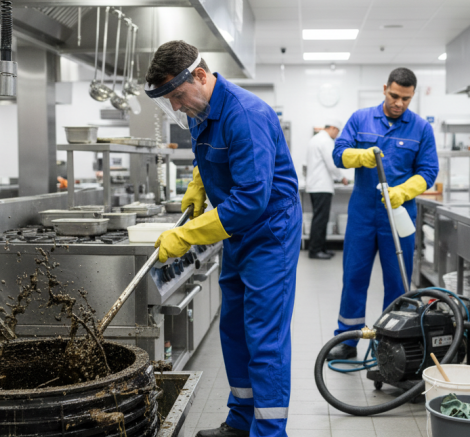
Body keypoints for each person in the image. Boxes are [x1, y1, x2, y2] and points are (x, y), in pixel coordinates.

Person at [144, 41, 301, 437]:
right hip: (236, 233)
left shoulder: (246, 114)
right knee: (233, 329)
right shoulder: (200, 108)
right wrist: (198, 183)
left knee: (264, 337)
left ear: (200, 76)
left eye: (177, 95)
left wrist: (186, 235)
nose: (176, 106)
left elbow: (251, 200)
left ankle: (269, 432)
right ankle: (241, 421)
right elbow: (212, 156)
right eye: (169, 100)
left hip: (269, 233)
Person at [327, 67, 439, 361]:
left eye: (406, 98)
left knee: (397, 282)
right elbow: (338, 154)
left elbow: (429, 172)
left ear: (412, 96)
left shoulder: (421, 128)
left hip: (399, 215)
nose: (399, 103)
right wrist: (361, 156)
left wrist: (403, 191)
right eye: (394, 95)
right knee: (354, 276)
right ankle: (348, 340)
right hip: (362, 213)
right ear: (385, 88)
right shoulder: (361, 119)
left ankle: (390, 343)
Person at [305, 119, 348, 260]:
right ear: (333, 128)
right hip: (321, 186)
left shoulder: (315, 139)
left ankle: (321, 248)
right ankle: (315, 250)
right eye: (337, 132)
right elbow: (332, 163)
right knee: (320, 219)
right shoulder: (326, 141)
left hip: (315, 185)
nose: (337, 135)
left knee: (320, 219)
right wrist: (342, 177)